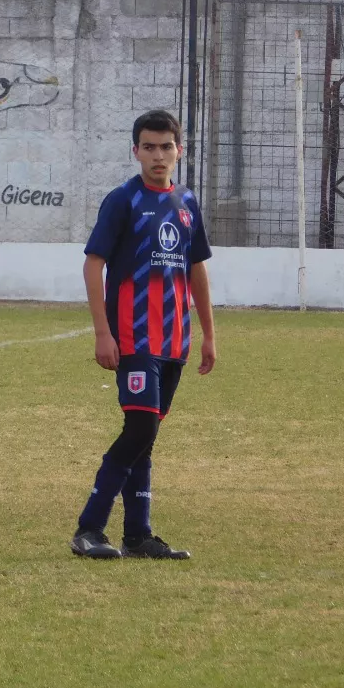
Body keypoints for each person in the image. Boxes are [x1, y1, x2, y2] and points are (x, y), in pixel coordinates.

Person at [70, 109, 216, 560]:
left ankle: (138, 535)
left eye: (166, 147)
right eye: (148, 147)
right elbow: (94, 263)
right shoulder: (123, 200)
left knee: (145, 434)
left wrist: (209, 334)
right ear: (135, 151)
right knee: (140, 428)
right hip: (133, 339)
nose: (158, 155)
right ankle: (89, 528)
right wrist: (102, 332)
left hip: (174, 342)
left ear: (179, 150)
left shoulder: (187, 203)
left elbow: (195, 269)